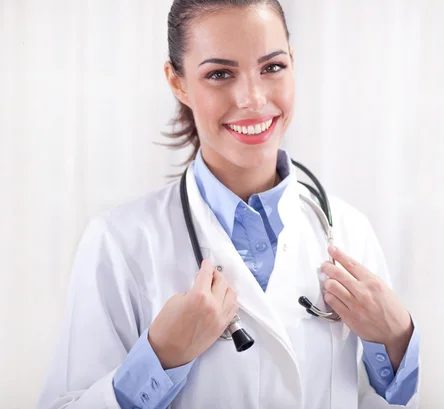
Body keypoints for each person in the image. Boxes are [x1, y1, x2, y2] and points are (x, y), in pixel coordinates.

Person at [37, 1, 421, 408]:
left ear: (292, 62)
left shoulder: (349, 231)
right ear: (178, 82)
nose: (253, 99)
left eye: (272, 67)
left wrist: (398, 342)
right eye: (220, 74)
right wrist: (159, 358)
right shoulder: (119, 242)